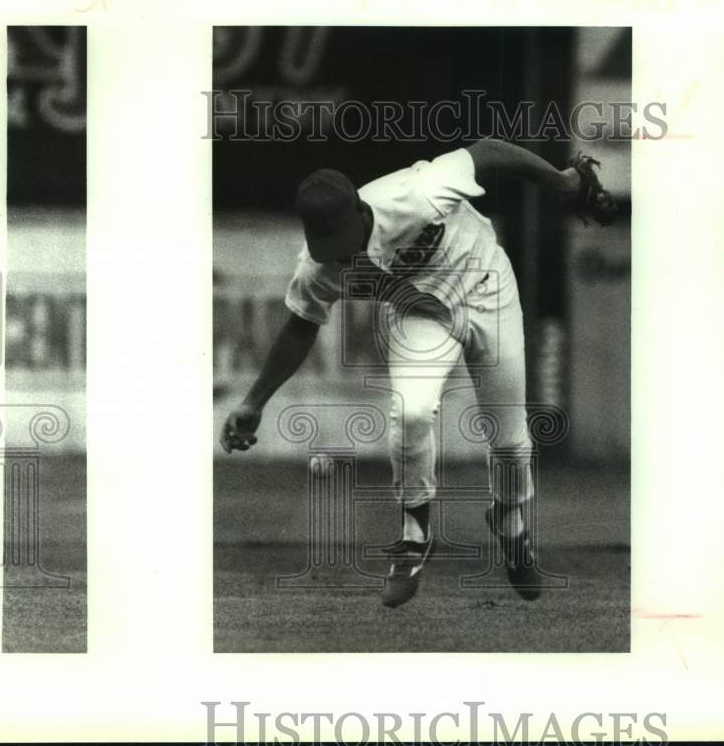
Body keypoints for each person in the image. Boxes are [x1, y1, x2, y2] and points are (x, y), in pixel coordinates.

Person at [219, 138, 613, 608]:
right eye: (327, 249)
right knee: (410, 412)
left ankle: (510, 523)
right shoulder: (318, 265)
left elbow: (487, 152)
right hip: (421, 312)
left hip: (486, 284)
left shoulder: (417, 193)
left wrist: (562, 181)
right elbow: (301, 327)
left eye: (343, 244)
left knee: (510, 439)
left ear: (362, 214)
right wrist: (253, 402)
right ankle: (412, 535)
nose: (340, 258)